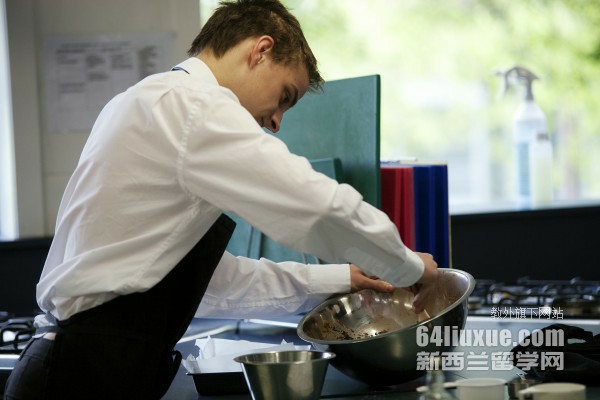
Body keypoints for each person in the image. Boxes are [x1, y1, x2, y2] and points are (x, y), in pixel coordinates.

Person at [4, 0, 438, 398]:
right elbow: (317, 206)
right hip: (79, 377)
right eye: (284, 97)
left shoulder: (149, 100)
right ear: (260, 51)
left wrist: (340, 277)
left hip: (80, 367)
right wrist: (407, 267)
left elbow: (209, 285)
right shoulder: (193, 106)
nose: (276, 122)